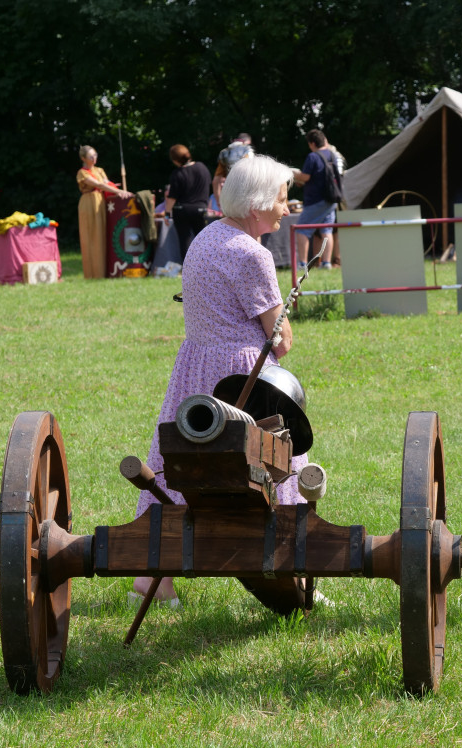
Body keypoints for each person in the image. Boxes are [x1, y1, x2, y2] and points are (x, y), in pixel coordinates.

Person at [132, 154, 308, 606]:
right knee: (272, 465)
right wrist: (287, 323)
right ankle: (290, 564)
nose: (286, 208)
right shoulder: (253, 254)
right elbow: (281, 340)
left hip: (196, 368)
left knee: (181, 467)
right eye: (281, 199)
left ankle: (153, 580)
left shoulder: (207, 236)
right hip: (244, 378)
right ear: (257, 205)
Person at [76, 145, 132, 279]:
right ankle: (92, 273)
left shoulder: (100, 170)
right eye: (90, 156)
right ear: (83, 158)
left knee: (101, 235)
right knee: (91, 236)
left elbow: (107, 183)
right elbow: (99, 185)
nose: (94, 158)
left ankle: (103, 272)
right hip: (89, 203)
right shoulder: (82, 172)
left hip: (101, 202)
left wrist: (119, 192)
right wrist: (119, 191)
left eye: (95, 155)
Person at [292, 128, 337, 269]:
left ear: (312, 143)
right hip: (332, 199)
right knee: (326, 230)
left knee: (301, 230)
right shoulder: (333, 155)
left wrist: (293, 173)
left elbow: (306, 177)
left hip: (316, 200)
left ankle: (302, 264)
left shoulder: (313, 157)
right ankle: (326, 263)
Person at [165, 144, 213, 264]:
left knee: (185, 240)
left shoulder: (178, 174)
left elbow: (172, 198)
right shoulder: (202, 168)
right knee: (203, 240)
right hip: (201, 209)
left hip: (182, 211)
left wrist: (166, 214)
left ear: (175, 160)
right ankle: (207, 265)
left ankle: (188, 267)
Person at [211, 133, 255, 210]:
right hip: (247, 201)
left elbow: (216, 181)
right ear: (248, 142)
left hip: (229, 198)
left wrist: (219, 203)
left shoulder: (224, 152)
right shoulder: (248, 151)